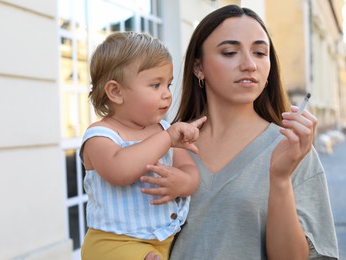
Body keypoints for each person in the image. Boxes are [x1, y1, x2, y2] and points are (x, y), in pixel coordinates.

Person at [142, 4, 339, 259]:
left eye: (259, 52)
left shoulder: (293, 148)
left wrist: (279, 180)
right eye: (229, 52)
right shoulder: (164, 144)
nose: (249, 64)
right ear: (198, 67)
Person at [79, 31, 206, 260]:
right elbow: (120, 171)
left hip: (164, 238)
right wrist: (167, 139)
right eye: (156, 85)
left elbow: (191, 171)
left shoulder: (164, 130)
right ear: (116, 92)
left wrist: (182, 182)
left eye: (168, 84)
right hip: (115, 243)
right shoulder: (100, 135)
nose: (167, 94)